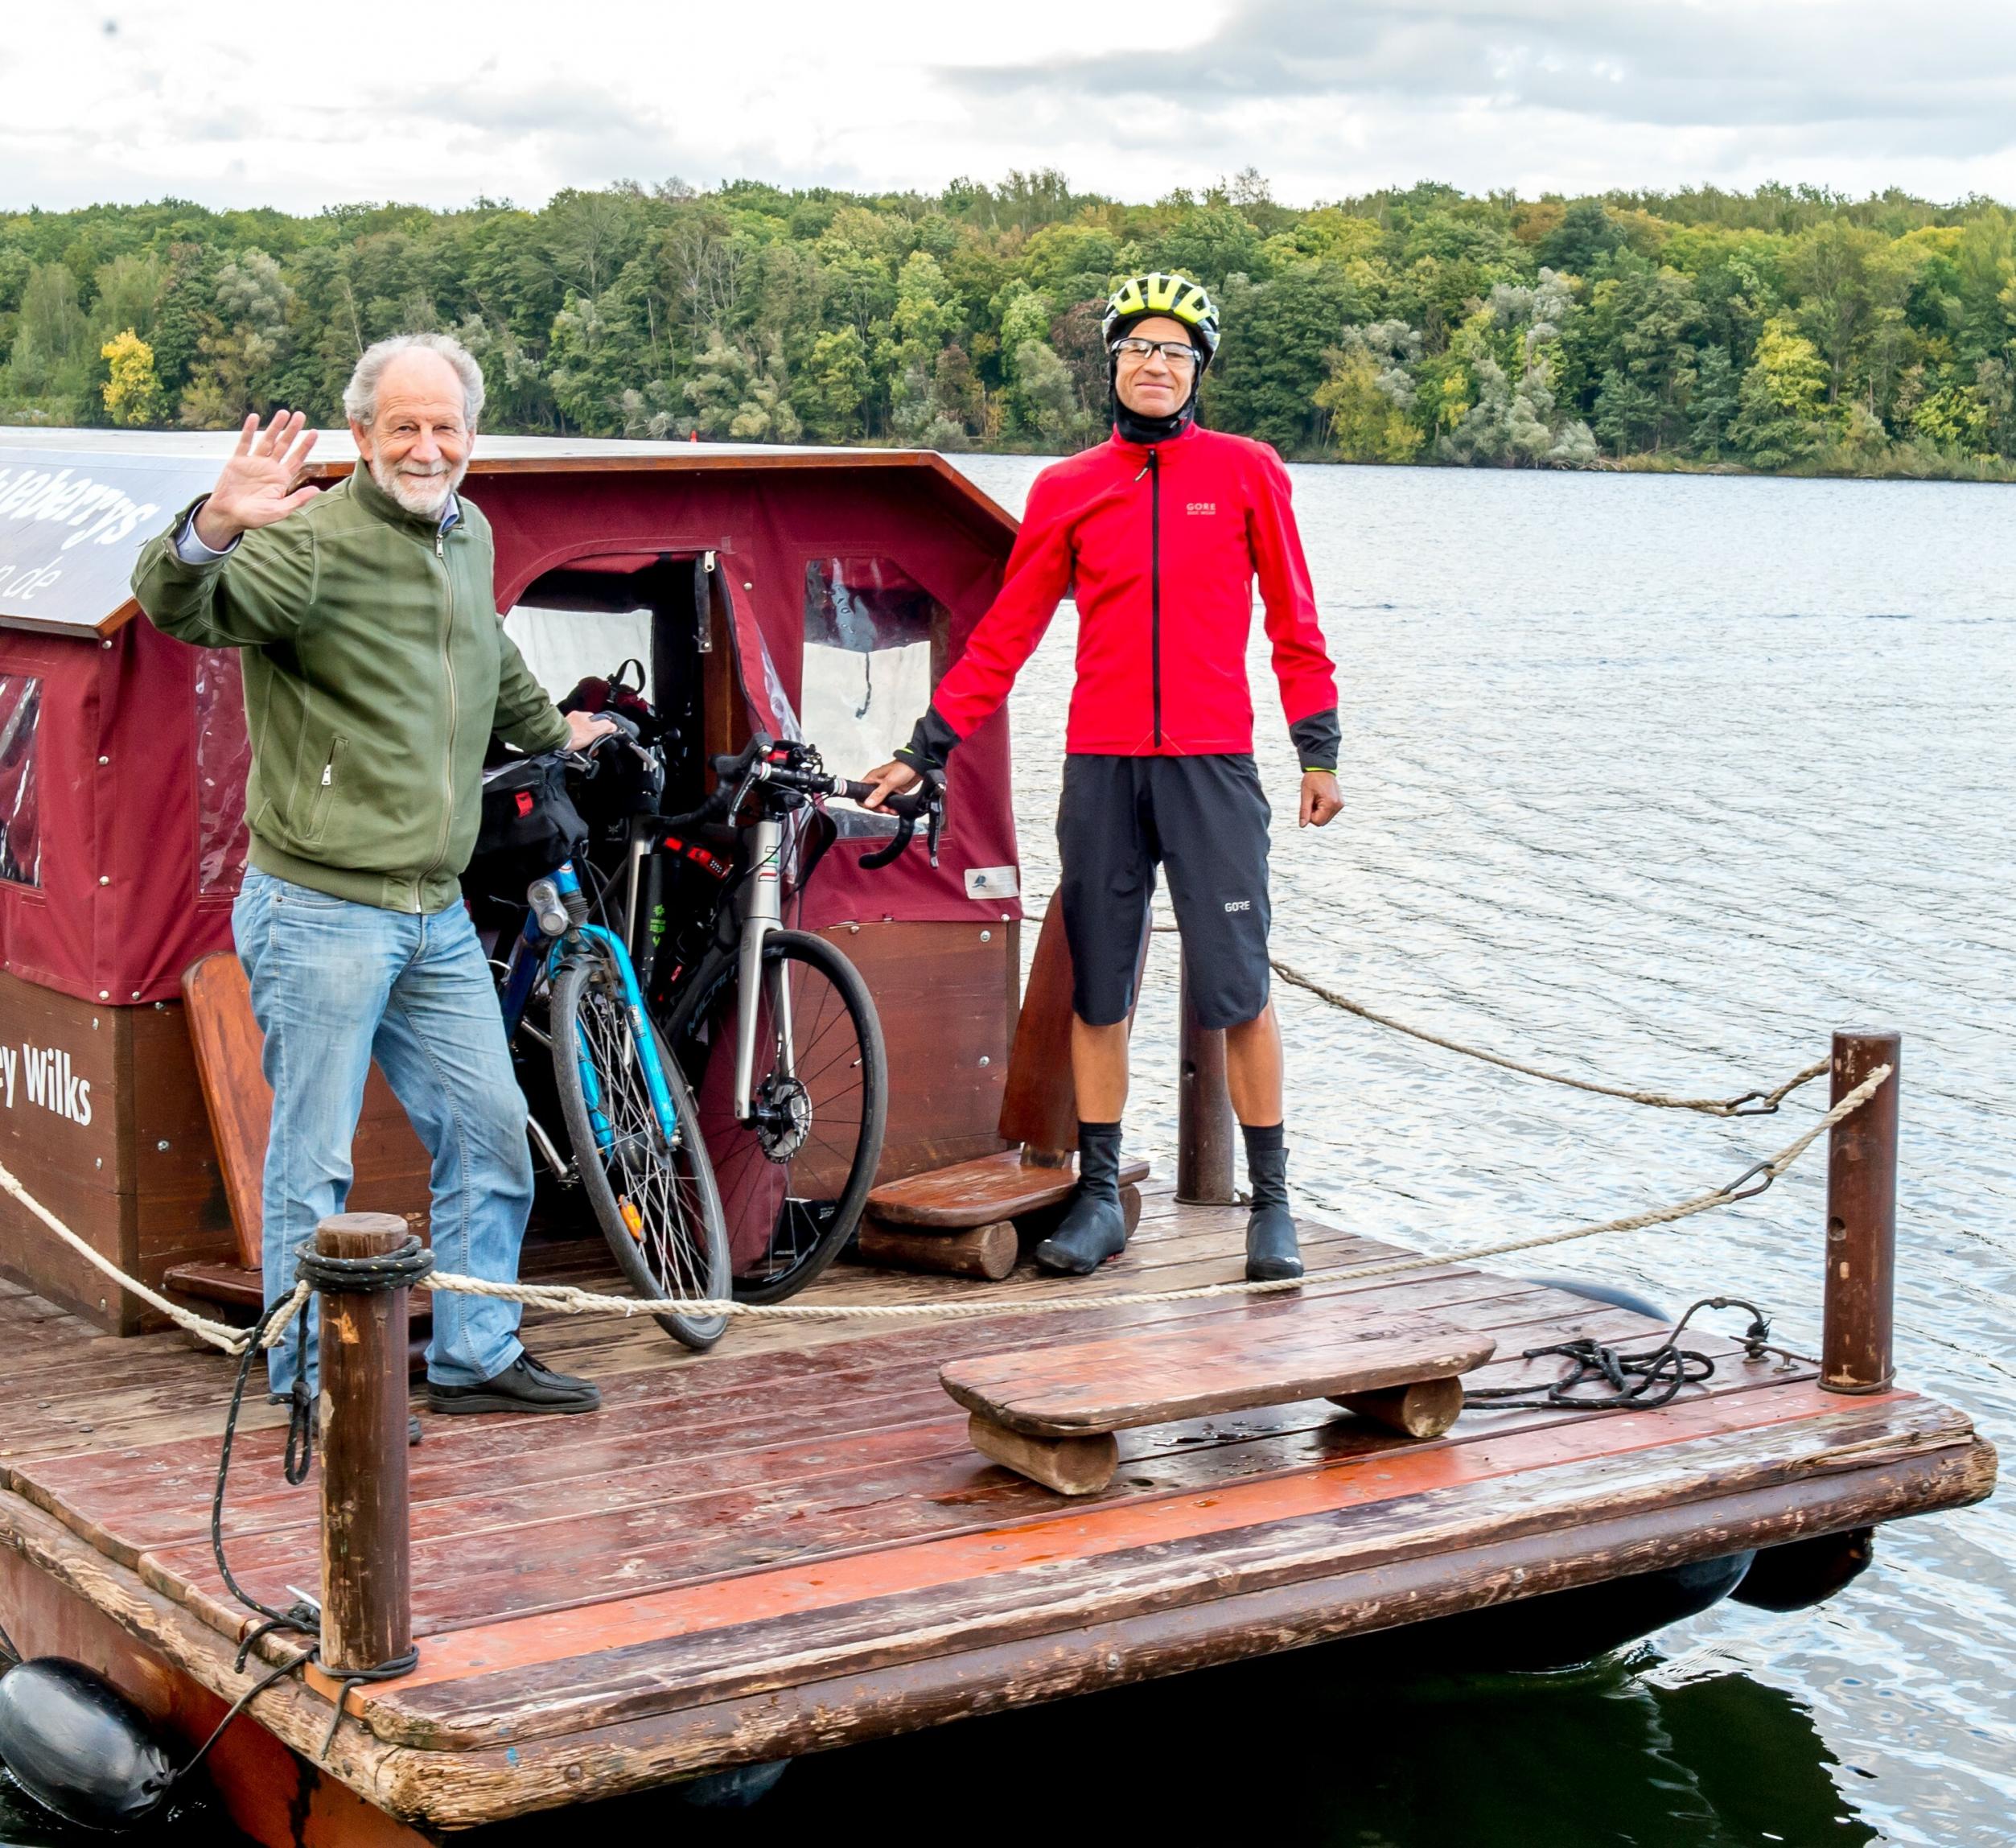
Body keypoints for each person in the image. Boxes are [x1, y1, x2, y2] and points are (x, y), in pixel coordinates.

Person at [131, 333, 616, 1417]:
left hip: (432, 910)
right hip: (320, 910)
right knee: (314, 1168)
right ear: (359, 436)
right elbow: (179, 607)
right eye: (402, 425)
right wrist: (214, 526)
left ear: (472, 437)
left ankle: (475, 1353)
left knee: (492, 1137)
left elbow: (482, 659)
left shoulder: (470, 532)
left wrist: (558, 734)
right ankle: (311, 1385)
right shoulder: (309, 543)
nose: (425, 445)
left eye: (445, 426)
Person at [863, 273, 1343, 1283]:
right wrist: (926, 746)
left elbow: (1293, 617)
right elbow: (1008, 631)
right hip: (1103, 768)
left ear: (1197, 370)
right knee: (1099, 992)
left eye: (1175, 352)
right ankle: (1096, 1197)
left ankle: (1273, 1203)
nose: (1155, 365)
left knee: (1239, 990)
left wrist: (1317, 747)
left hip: (1211, 767)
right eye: (1138, 349)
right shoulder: (1069, 486)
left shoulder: (1248, 472)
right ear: (1112, 365)